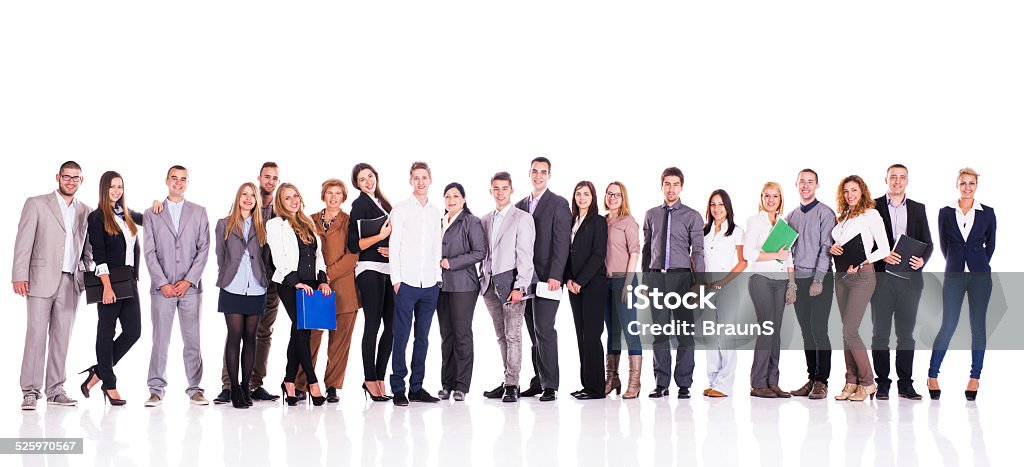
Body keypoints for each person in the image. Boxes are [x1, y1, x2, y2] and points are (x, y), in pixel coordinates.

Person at [14, 161, 92, 410]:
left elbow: (87, 247)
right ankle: (30, 391)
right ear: (58, 177)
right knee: (36, 336)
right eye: (67, 177)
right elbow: (24, 241)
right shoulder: (36, 204)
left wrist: (85, 272)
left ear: (82, 180)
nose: (71, 181)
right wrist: (19, 274)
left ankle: (56, 390)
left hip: (71, 282)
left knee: (62, 338)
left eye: (76, 178)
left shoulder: (86, 211)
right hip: (39, 279)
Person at [142, 165, 211, 407]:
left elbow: (204, 249)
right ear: (166, 181)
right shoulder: (152, 213)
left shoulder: (200, 212)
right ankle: (156, 388)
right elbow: (149, 252)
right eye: (174, 178)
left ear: (187, 182)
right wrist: (162, 283)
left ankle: (195, 388)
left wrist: (188, 280)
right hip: (162, 290)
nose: (179, 183)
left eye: (183, 179)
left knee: (192, 339)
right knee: (160, 339)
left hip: (190, 288)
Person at [215, 162, 282, 403]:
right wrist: (228, 277)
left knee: (254, 336)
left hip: (258, 286)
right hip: (232, 286)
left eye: (251, 195)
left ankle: (248, 386)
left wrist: (265, 278)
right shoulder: (224, 223)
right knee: (234, 335)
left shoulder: (264, 224)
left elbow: (269, 254)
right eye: (244, 194)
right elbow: (220, 257)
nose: (248, 198)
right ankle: (231, 387)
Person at [928, 167, 996, 402]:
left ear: (976, 186)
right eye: (963, 183)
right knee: (948, 325)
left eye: (972, 183)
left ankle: (974, 378)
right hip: (954, 275)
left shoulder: (988, 213)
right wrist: (956, 263)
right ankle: (932, 375)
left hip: (980, 277)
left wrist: (977, 264)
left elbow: (991, 244)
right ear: (957, 184)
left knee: (978, 328)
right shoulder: (945, 212)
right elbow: (944, 245)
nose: (967, 187)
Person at [81, 171, 144, 406]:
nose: (117, 191)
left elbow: (149, 218)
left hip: (129, 281)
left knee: (133, 331)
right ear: (103, 189)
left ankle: (98, 372)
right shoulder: (96, 217)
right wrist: (107, 287)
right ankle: (109, 383)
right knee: (106, 331)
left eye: (120, 187)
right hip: (110, 282)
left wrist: (160, 204)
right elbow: (100, 256)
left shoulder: (126, 215)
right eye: (112, 187)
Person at [870, 164, 933, 400]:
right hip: (882, 280)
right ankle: (883, 384)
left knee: (906, 335)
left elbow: (928, 242)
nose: (897, 181)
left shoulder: (918, 208)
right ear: (885, 179)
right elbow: (867, 243)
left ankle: (905, 384)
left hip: (909, 281)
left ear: (908, 180)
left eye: (902, 177)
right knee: (880, 334)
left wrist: (922, 261)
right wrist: (882, 255)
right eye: (893, 177)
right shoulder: (872, 207)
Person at [294, 179, 360, 404]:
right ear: (323, 195)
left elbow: (353, 256)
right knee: (310, 338)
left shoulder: (351, 222)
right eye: (330, 193)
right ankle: (303, 384)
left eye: (338, 193)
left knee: (339, 343)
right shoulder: (309, 220)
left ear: (343, 197)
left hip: (344, 289)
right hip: (314, 289)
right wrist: (319, 278)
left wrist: (327, 274)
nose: (334, 197)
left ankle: (332, 386)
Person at [642, 167, 705, 399]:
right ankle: (661, 383)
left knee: (684, 332)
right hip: (657, 277)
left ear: (682, 186)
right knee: (659, 331)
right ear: (661, 186)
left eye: (675, 184)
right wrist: (646, 279)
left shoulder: (692, 216)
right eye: (667, 184)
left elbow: (698, 251)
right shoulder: (651, 214)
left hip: (682, 278)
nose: (671, 188)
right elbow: (647, 250)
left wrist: (699, 283)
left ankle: (684, 384)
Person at [266, 183, 332, 406]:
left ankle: (288, 382)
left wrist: (322, 280)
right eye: (287, 198)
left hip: (312, 284)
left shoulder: (308, 222)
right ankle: (313, 383)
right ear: (280, 203)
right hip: (289, 283)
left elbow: (318, 255)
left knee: (300, 332)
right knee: (302, 330)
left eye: (295, 196)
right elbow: (278, 258)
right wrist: (296, 283)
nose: (293, 200)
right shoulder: (275, 225)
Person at [829, 175, 890, 402]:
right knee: (846, 332)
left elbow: (884, 248)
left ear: (862, 191)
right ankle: (851, 381)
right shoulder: (842, 217)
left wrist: (863, 262)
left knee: (850, 330)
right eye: (846, 191)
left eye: (854, 190)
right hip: (842, 275)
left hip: (862, 276)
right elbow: (840, 243)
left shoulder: (870, 214)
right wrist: (834, 248)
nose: (850, 195)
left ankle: (868, 382)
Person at [515, 157, 571, 401]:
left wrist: (556, 275)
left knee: (545, 329)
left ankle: (551, 385)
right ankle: (538, 380)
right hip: (525, 279)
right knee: (532, 331)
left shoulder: (558, 203)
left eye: (543, 172)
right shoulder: (519, 205)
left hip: (548, 279)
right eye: (535, 171)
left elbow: (562, 243)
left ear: (549, 175)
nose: (538, 176)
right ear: (529, 173)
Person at [388, 162, 443, 406]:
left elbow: (436, 245)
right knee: (401, 335)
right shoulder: (400, 210)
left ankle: (417, 387)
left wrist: (438, 279)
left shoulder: (435, 212)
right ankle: (398, 387)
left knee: (423, 337)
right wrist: (396, 280)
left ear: (430, 180)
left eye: (424, 177)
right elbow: (394, 246)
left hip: (430, 284)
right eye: (416, 178)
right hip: (406, 283)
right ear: (410, 180)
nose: (420, 182)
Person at [480, 172, 536, 403]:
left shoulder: (522, 218)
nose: (500, 192)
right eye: (496, 188)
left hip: (511, 283)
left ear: (511, 190)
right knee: (501, 336)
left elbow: (525, 255)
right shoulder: (484, 220)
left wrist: (520, 286)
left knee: (513, 336)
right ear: (490, 191)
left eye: (504, 188)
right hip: (489, 284)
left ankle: (512, 384)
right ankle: (507, 380)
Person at [785, 168, 837, 400]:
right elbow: (786, 254)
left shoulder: (825, 213)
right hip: (799, 281)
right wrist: (792, 285)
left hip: (820, 280)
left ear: (817, 185)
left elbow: (827, 249)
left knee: (819, 330)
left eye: (810, 182)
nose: (806, 186)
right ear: (796, 185)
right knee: (806, 332)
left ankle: (821, 381)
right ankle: (811, 377)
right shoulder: (791, 216)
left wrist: (818, 280)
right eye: (802, 182)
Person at [744, 182, 796, 398]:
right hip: (761, 280)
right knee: (767, 330)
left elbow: (789, 256)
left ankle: (772, 382)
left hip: (781, 281)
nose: (771, 200)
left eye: (775, 196)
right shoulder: (755, 221)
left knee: (776, 334)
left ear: (780, 199)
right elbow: (749, 254)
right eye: (767, 196)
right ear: (762, 198)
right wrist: (776, 255)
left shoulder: (783, 224)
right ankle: (757, 383)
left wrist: (792, 284)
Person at [347, 162, 395, 401]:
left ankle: (379, 376)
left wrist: (391, 246)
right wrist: (381, 237)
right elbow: (354, 244)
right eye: (362, 179)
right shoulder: (359, 205)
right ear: (357, 184)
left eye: (370, 176)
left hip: (389, 270)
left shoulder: (384, 203)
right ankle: (369, 378)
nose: (368, 181)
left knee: (393, 327)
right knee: (373, 325)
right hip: (369, 270)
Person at [437, 182, 486, 402]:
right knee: (446, 335)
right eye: (447, 196)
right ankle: (446, 383)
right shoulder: (440, 221)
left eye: (455, 196)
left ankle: (461, 385)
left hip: (464, 286)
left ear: (464, 199)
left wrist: (452, 262)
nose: (451, 200)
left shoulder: (471, 222)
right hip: (441, 286)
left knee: (461, 334)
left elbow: (480, 252)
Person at [700, 189, 747, 398]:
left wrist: (723, 282)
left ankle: (725, 384)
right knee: (710, 335)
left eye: (720, 204)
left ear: (727, 207)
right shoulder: (704, 231)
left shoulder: (736, 231)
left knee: (726, 336)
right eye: (713, 205)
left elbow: (742, 262)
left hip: (727, 287)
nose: (717, 209)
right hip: (707, 289)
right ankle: (714, 381)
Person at [565, 181, 608, 400]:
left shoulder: (598, 222)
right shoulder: (571, 221)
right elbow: (567, 253)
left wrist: (580, 281)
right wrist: (569, 280)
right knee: (581, 335)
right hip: (574, 287)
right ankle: (586, 384)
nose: (582, 198)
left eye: (586, 194)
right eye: (578, 194)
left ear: (593, 197)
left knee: (592, 335)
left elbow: (598, 255)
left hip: (593, 285)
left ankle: (597, 388)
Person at [602, 181, 643, 399]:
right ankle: (612, 377)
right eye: (609, 194)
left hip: (623, 281)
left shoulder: (629, 222)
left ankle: (634, 382)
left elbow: (634, 253)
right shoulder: (603, 221)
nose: (612, 197)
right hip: (604, 282)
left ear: (623, 197)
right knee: (612, 332)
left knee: (630, 331)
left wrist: (627, 283)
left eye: (616, 194)